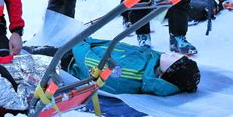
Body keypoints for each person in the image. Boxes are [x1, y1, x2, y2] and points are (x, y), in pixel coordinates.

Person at [63, 37, 201, 95]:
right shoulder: (154, 60)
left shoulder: (133, 73)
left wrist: (80, 41)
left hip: (70, 60)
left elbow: (90, 63)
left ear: (168, 73)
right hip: (84, 46)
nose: (174, 54)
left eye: (175, 59)